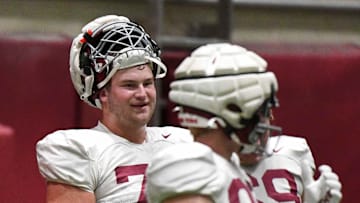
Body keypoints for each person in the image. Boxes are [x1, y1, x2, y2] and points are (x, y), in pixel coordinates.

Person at [36, 15, 192, 202]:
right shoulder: (79, 151)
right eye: (130, 85)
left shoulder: (181, 143)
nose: (142, 94)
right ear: (103, 93)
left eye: (148, 83)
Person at [146, 43, 280, 202]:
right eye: (261, 110)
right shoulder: (190, 168)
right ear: (232, 110)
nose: (266, 119)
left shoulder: (228, 163)